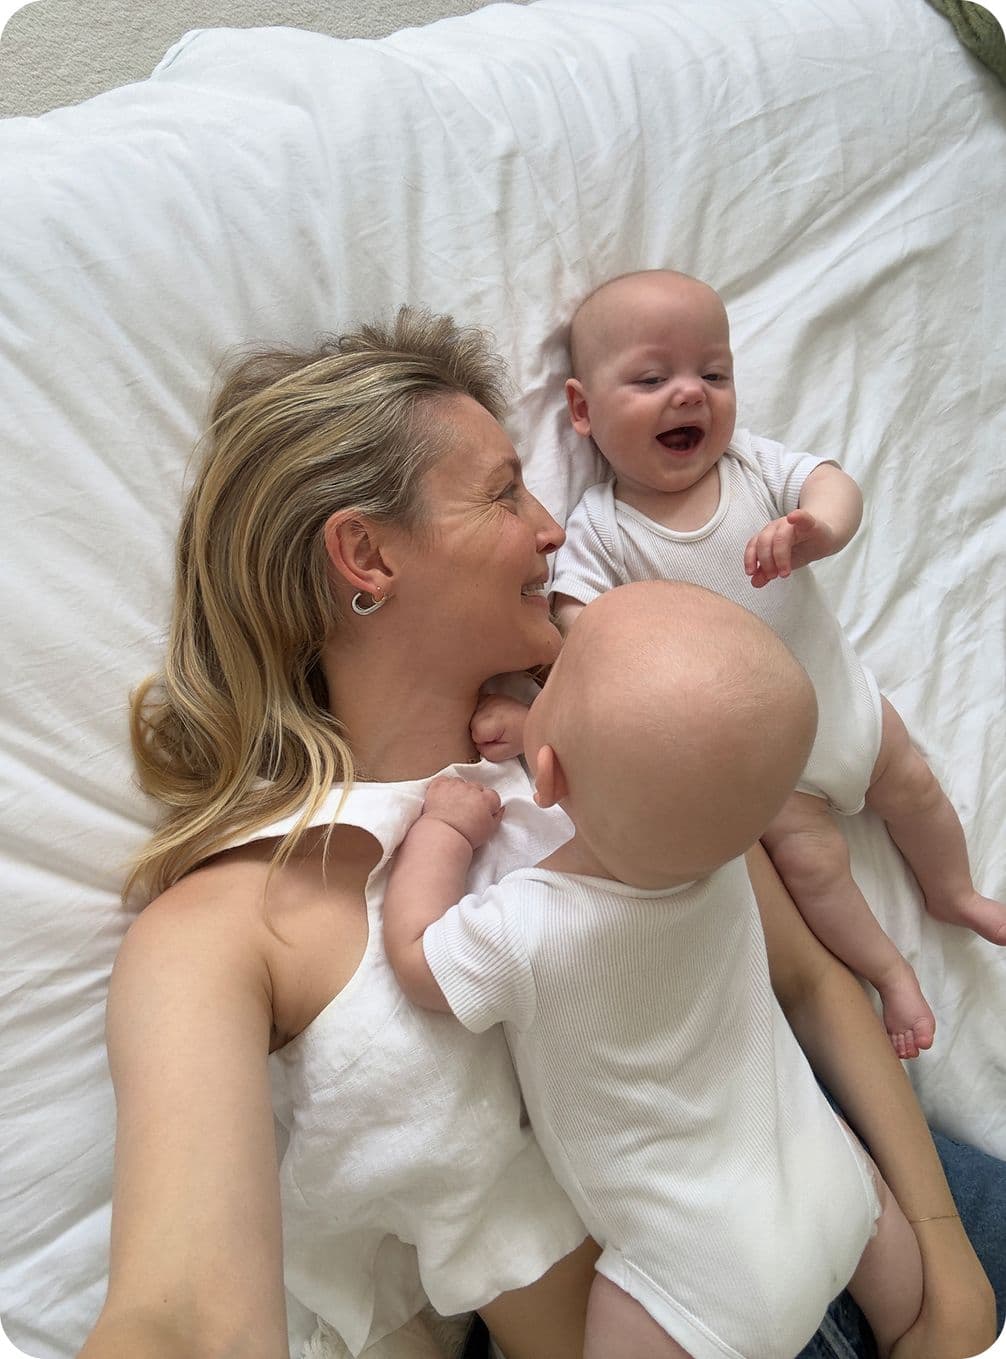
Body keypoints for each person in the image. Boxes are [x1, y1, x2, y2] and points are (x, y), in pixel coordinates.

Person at [78, 307, 997, 1359]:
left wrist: (945, 1271)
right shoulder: (223, 928)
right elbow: (179, 1316)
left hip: (886, 1212)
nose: (553, 526)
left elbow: (808, 983)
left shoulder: (632, 742)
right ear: (364, 554)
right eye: (504, 490)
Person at [384, 580, 929, 1359]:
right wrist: (546, 733)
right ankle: (909, 1327)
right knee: (908, 1312)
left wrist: (444, 830)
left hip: (695, 1282)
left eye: (556, 679)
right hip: (836, 1187)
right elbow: (652, 777)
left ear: (548, 777)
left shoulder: (531, 928)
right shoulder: (721, 861)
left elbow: (415, 959)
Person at [538, 267, 1006, 1062]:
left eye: (713, 374)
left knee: (917, 788)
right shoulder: (602, 529)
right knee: (817, 870)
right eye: (652, 378)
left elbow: (835, 483)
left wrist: (820, 527)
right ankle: (891, 974)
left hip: (847, 706)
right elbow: (577, 625)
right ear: (582, 410)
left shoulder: (751, 468)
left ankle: (954, 891)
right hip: (767, 766)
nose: (691, 394)